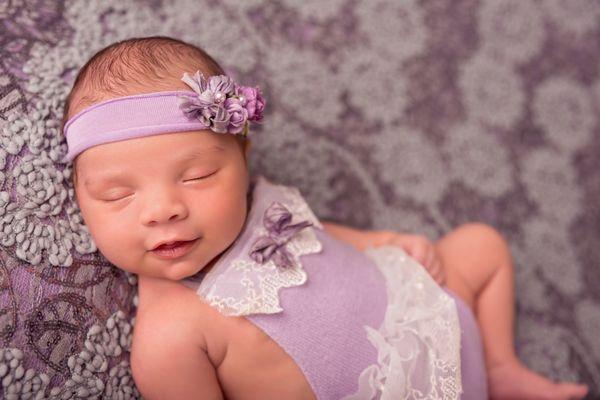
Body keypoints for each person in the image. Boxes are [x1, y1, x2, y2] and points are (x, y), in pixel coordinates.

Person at [61, 36, 589, 400]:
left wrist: (385, 238)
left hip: (429, 312)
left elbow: (321, 239)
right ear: (80, 201)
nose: (163, 209)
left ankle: (499, 366)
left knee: (482, 245)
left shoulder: (265, 202)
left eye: (197, 175)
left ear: (243, 164)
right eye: (116, 194)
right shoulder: (168, 339)